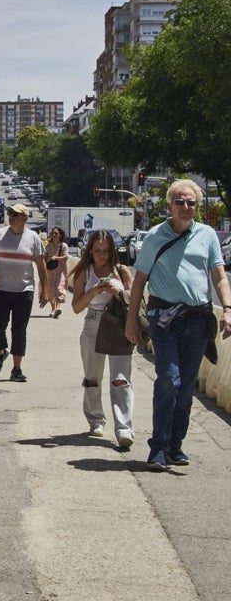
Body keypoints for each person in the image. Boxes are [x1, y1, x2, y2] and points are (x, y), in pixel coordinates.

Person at [126, 179, 231, 471]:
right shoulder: (155, 237)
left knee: (185, 387)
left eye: (191, 203)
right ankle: (157, 447)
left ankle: (175, 445)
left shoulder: (207, 235)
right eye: (180, 202)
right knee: (168, 380)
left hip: (198, 322)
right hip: (165, 321)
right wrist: (132, 321)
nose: (186, 207)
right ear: (169, 205)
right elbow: (139, 282)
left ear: (197, 206)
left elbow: (219, 276)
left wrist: (228, 310)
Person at [71, 230, 135, 447]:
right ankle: (96, 419)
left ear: (113, 251)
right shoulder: (84, 272)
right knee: (92, 377)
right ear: (90, 250)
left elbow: (134, 302)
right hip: (93, 322)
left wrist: (117, 290)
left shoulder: (121, 270)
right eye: (97, 250)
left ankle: (124, 428)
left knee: (120, 379)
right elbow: (76, 307)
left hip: (118, 325)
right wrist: (95, 290)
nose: (101, 255)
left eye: (106, 251)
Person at [0, 202, 48, 382]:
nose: (11, 217)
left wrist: (45, 290)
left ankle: (17, 368)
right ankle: (0, 352)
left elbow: (41, 264)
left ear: (25, 218)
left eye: (16, 214)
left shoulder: (32, 238)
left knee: (19, 329)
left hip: (24, 291)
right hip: (0, 289)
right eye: (10, 214)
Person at [42, 227, 71, 318]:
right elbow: (45, 256)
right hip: (50, 271)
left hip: (60, 270)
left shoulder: (64, 246)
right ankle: (53, 309)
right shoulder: (48, 246)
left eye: (56, 233)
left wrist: (56, 258)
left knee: (59, 288)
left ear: (60, 235)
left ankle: (58, 308)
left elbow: (66, 257)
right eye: (53, 233)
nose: (54, 235)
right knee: (50, 290)